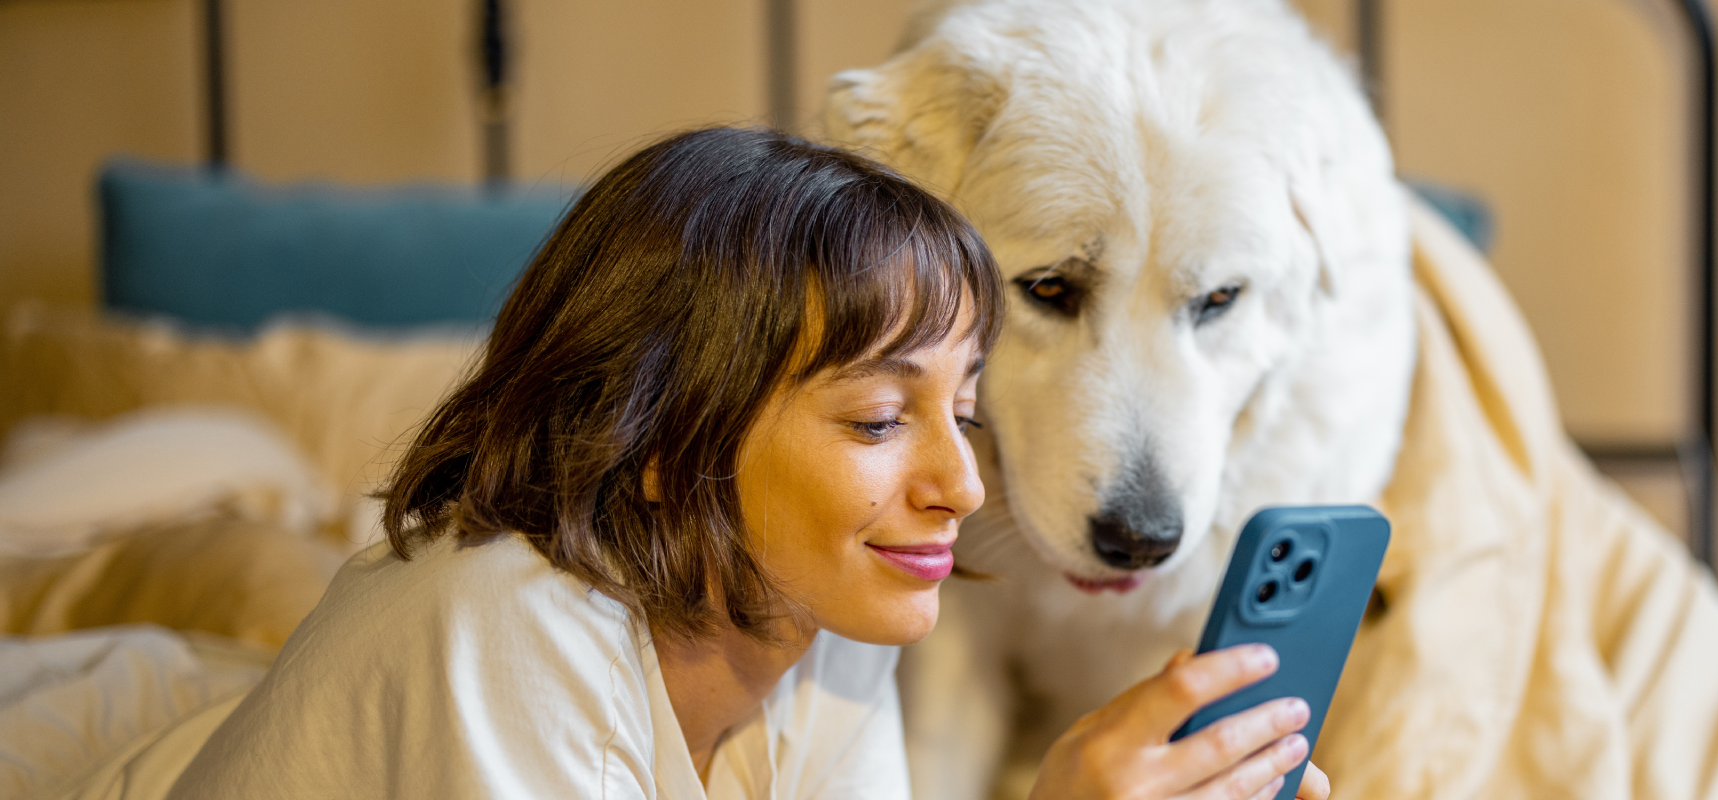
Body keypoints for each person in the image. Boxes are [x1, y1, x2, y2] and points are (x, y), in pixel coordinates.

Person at [166, 127, 1331, 800]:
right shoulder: (509, 619)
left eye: (965, 409)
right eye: (878, 419)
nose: (967, 487)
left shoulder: (830, 619)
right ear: (653, 438)